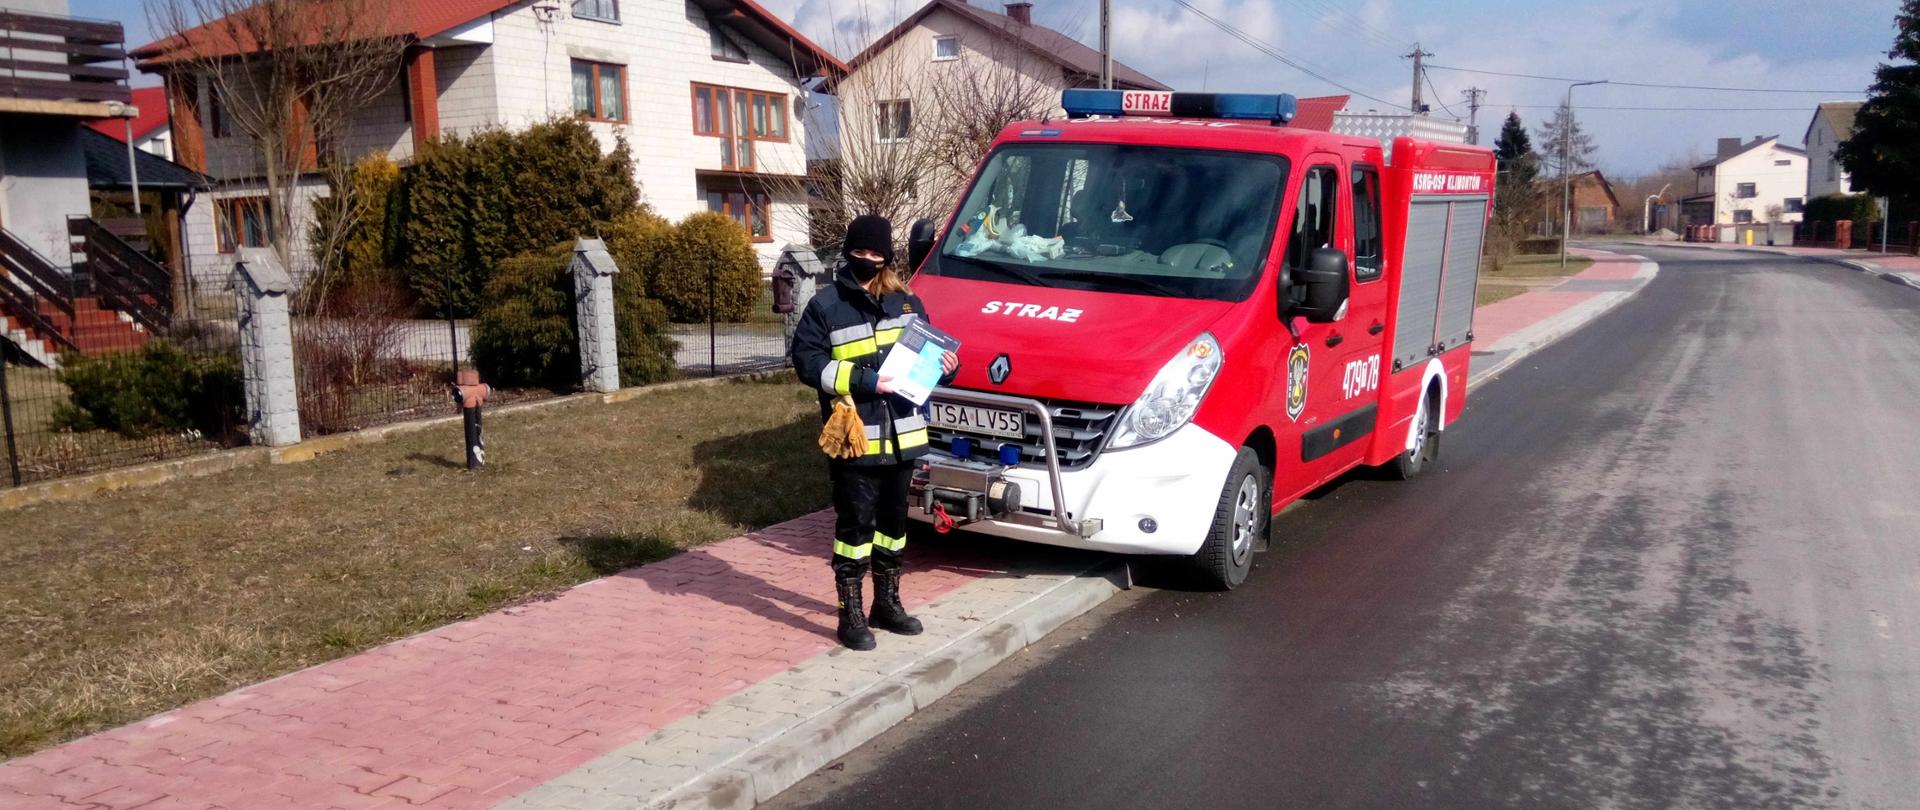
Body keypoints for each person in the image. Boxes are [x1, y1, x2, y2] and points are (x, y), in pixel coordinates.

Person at [790, 215, 960, 650]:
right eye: (859, 252)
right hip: (855, 439)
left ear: (888, 256)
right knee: (854, 528)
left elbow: (928, 360)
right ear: (847, 252)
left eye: (875, 253)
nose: (867, 260)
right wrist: (867, 382)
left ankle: (887, 605)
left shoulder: (907, 303)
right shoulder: (825, 307)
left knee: (894, 525)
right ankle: (851, 614)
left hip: (904, 436)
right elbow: (808, 364)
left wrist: (948, 369)